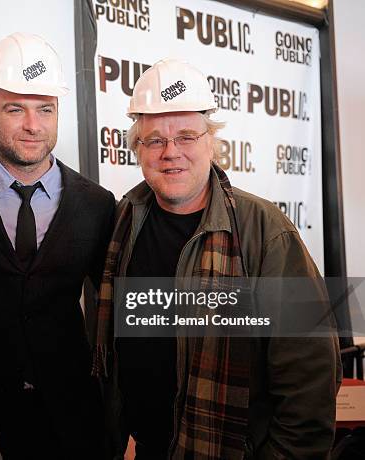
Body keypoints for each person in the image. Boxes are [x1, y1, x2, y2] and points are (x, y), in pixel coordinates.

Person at [92, 58, 342, 459]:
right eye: (155, 140)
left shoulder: (266, 231)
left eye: (187, 136)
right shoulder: (123, 219)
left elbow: (309, 384)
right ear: (138, 149)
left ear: (212, 142)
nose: (171, 153)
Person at [0, 33, 115, 460]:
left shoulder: (97, 204)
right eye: (16, 108)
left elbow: (114, 311)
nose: (33, 125)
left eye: (45, 109)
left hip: (74, 416)